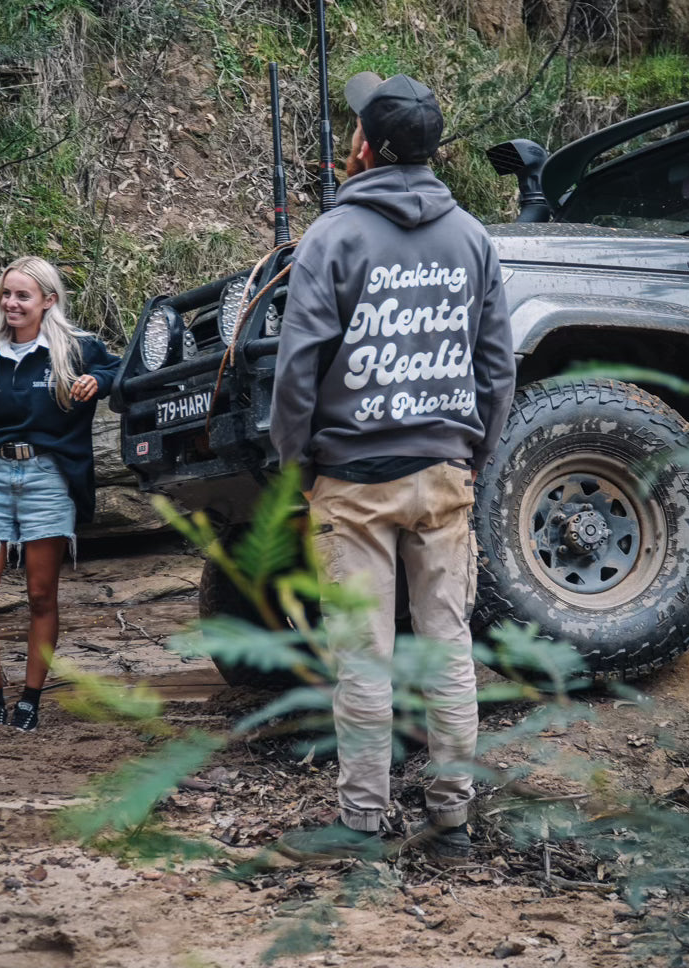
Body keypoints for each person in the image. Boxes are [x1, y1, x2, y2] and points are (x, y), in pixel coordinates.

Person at [270, 72, 516, 867]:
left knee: (364, 661)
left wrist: (297, 462)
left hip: (353, 479)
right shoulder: (472, 236)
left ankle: (362, 823)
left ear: (365, 147)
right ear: (432, 151)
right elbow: (496, 366)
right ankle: (452, 823)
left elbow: (298, 367)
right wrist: (470, 452)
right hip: (442, 474)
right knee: (447, 653)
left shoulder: (331, 237)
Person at [0, 257, 121, 732]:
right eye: (7, 294)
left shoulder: (78, 349)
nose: (11, 304)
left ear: (49, 301)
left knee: (41, 595)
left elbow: (123, 371)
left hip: (48, 478)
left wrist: (99, 380)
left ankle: (29, 699)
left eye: (23, 296)